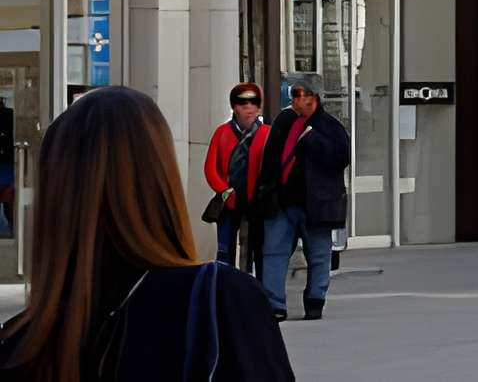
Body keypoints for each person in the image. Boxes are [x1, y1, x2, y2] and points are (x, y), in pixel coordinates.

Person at [0, 85, 291, 380]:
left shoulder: (20, 346)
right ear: (161, 179)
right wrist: (225, 190)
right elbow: (215, 167)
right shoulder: (222, 303)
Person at [257, 74, 351, 323]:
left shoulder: (330, 126)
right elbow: (270, 159)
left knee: (319, 255)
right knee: (273, 253)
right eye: (293, 94)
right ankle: (274, 304)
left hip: (317, 206)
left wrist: (313, 140)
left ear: (314, 98)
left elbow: (341, 158)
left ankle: (314, 301)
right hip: (283, 203)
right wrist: (266, 190)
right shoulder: (284, 122)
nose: (295, 99)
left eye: (300, 94)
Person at [205, 82, 266, 271]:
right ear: (234, 107)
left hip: (255, 202)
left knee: (257, 250)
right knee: (224, 249)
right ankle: (224, 285)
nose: (249, 108)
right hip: (228, 202)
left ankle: (253, 288)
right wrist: (224, 190)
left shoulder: (266, 133)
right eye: (242, 103)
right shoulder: (222, 133)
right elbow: (210, 168)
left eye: (253, 103)